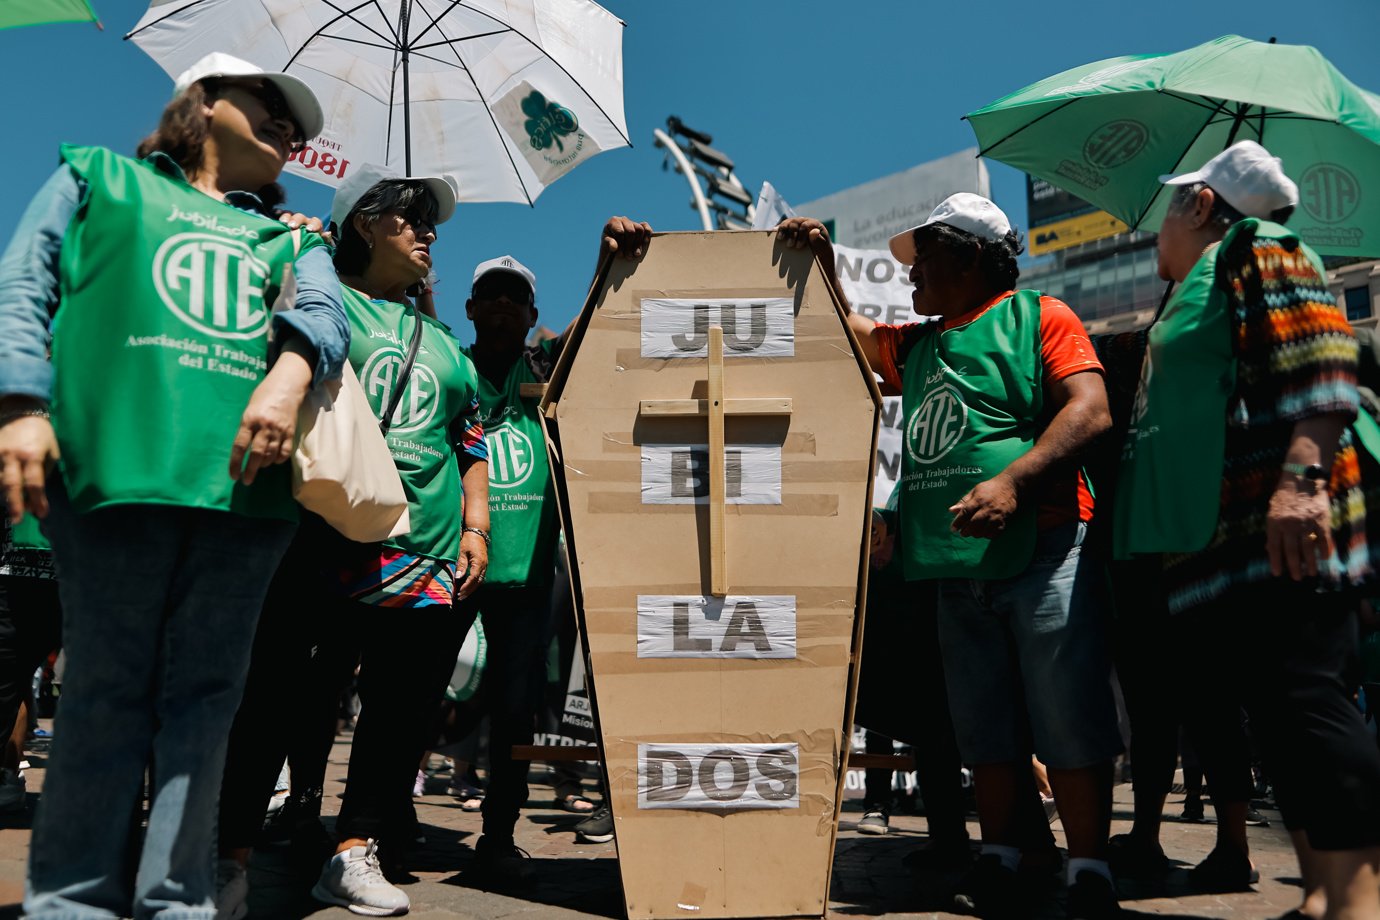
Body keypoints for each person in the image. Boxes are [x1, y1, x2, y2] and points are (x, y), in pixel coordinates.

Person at [0, 51, 347, 919]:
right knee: (103, 692)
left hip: (245, 497)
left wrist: (290, 371)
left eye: (296, 124)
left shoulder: (292, 233)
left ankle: (177, 902)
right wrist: (20, 404)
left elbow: (329, 315)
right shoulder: (99, 179)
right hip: (117, 476)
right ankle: (73, 902)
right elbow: (26, 283)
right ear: (203, 100)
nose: (287, 127)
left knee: (205, 706)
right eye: (267, 101)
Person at [780, 193, 1122, 920]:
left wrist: (1013, 482)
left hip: (1045, 548)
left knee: (1066, 713)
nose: (913, 275)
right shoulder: (923, 344)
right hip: (953, 568)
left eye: (926, 257)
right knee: (984, 725)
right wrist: (819, 263)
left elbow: (1090, 409)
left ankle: (1091, 869)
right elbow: (852, 335)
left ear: (970, 257)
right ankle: (998, 859)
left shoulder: (1041, 318)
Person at [215, 163, 489, 918]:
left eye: (431, 221)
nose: (429, 232)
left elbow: (467, 436)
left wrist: (477, 526)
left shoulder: (439, 338)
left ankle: (353, 851)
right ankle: (227, 856)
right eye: (410, 217)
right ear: (366, 224)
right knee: (273, 700)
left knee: (401, 712)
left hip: (427, 551)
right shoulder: (319, 297)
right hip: (320, 539)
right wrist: (295, 239)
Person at [1115, 140, 1380, 920]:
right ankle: (1321, 896)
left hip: (1281, 530)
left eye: (1170, 206)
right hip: (1223, 544)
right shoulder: (1201, 281)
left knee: (1305, 696)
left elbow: (1328, 364)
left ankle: (1359, 901)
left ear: (1200, 205)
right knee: (1274, 712)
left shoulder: (1260, 246)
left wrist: (1300, 484)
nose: (1156, 228)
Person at [449, 220, 652, 883]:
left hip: (529, 573)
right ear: (470, 307)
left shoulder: (546, 370)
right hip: (446, 565)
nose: (504, 305)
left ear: (533, 314)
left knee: (515, 709)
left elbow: (590, 326)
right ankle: (384, 818)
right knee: (419, 696)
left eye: (517, 298)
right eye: (492, 294)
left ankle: (499, 833)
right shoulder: (450, 367)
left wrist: (603, 259)